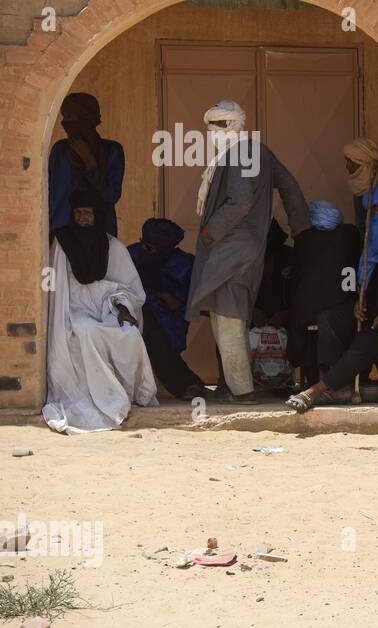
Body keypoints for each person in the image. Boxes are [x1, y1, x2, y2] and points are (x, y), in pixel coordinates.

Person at [189, 100, 310, 404]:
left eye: (214, 126)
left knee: (227, 316)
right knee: (230, 315)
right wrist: (299, 225)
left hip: (233, 247)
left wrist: (210, 230)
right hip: (242, 246)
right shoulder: (256, 151)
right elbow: (290, 186)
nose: (209, 133)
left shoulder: (242, 152)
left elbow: (240, 201)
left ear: (230, 126)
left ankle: (242, 391)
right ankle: (233, 385)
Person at [286, 185, 378, 412]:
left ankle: (315, 390)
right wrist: (360, 300)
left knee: (368, 338)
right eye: (374, 209)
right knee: (330, 318)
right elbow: (369, 279)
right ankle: (338, 387)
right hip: (375, 307)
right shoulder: (370, 239)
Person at [44, 192, 157, 432]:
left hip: (108, 307)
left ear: (97, 216)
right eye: (78, 213)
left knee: (129, 334)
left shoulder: (113, 246)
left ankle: (125, 394)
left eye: (88, 213)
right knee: (86, 331)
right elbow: (58, 289)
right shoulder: (62, 245)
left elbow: (130, 288)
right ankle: (103, 397)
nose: (83, 217)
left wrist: (123, 308)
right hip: (73, 308)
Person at [127, 218, 206, 400]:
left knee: (155, 337)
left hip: (168, 319)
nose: (145, 250)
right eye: (143, 244)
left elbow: (176, 303)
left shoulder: (183, 265)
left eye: (151, 248)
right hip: (133, 311)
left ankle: (188, 384)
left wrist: (156, 286)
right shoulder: (133, 254)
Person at [286, 200, 361, 389]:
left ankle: (310, 379)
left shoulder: (306, 240)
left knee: (299, 319)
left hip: (312, 315)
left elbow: (297, 281)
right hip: (347, 310)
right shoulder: (351, 235)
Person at [48, 93, 125, 237]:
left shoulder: (111, 151)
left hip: (100, 234)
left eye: (70, 117)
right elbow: (51, 194)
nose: (64, 123)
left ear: (85, 118)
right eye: (64, 117)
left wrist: (89, 161)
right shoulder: (60, 150)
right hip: (61, 232)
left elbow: (111, 195)